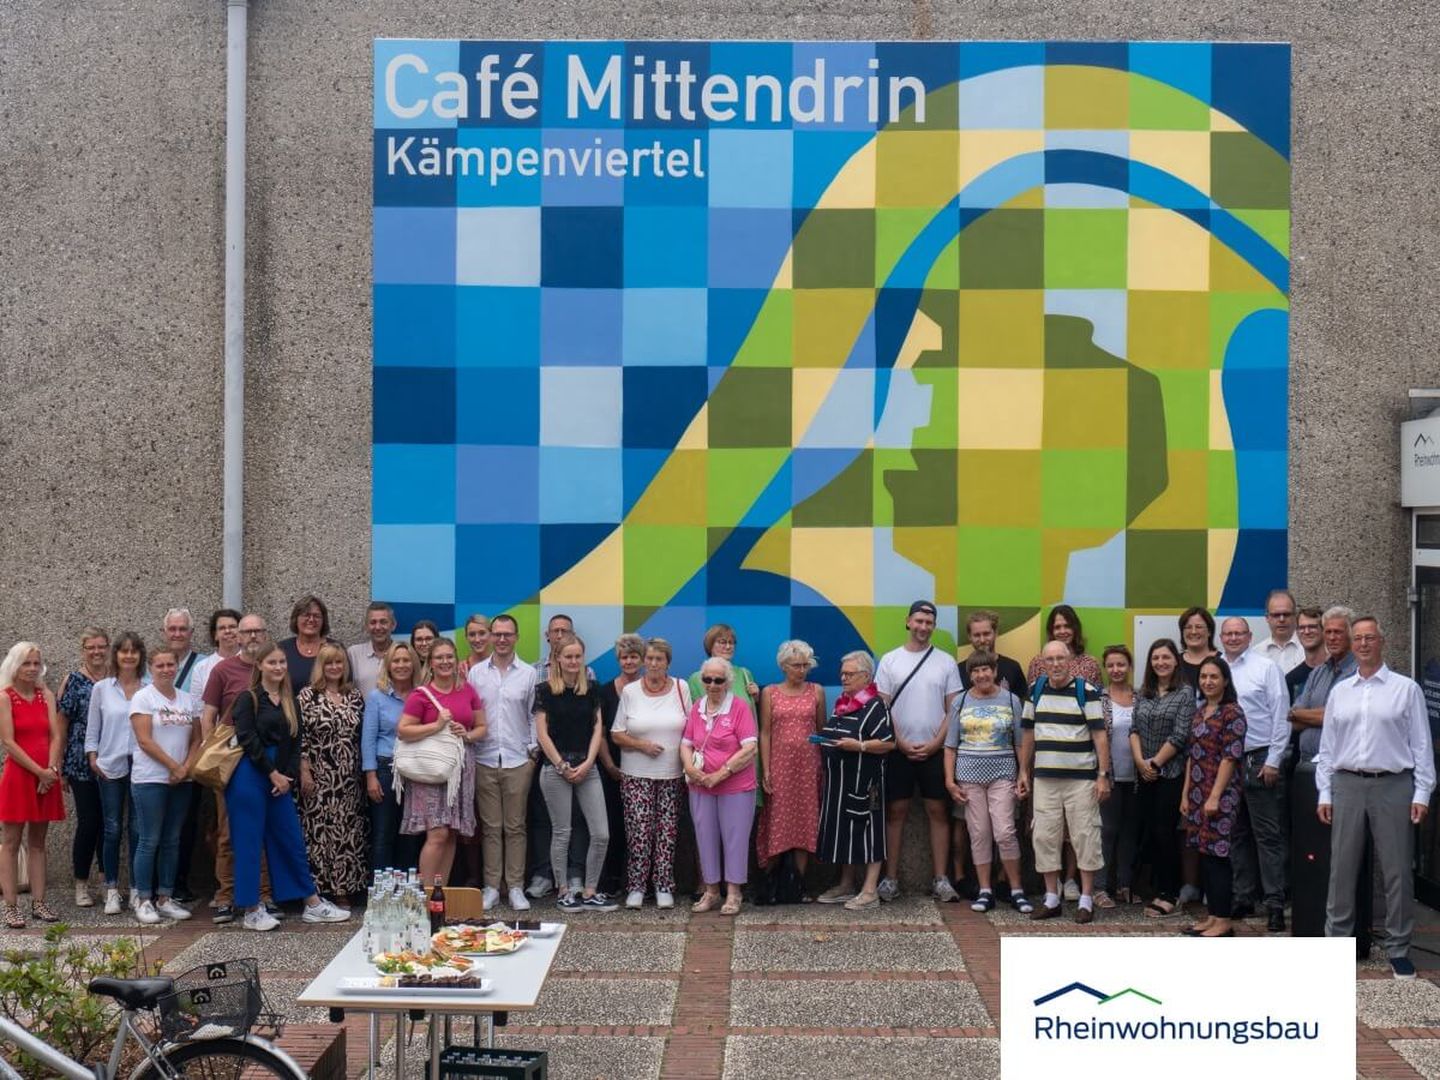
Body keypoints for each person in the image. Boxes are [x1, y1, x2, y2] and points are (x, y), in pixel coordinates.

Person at [1316, 616, 1436, 979]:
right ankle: (1336, 944)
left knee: (1398, 870)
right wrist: (1324, 791)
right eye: (1358, 639)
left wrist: (1423, 792)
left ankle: (1399, 949)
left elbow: (1421, 745)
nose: (1364, 644)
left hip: (1393, 785)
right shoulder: (1341, 691)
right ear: (1352, 645)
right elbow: (1328, 747)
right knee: (1342, 870)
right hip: (1347, 784)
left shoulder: (1405, 689)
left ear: (1382, 642)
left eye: (1370, 638)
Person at [226, 642, 351, 931]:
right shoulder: (248, 698)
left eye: (282, 662)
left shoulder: (289, 699)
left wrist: (288, 776)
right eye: (272, 662)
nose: (279, 667)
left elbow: (296, 742)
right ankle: (252, 909)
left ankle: (311, 903)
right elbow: (247, 739)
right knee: (248, 843)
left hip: (281, 777)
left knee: (290, 839)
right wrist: (272, 774)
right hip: (250, 775)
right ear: (260, 666)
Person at [875, 600, 963, 903]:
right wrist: (898, 741)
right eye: (919, 621)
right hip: (897, 750)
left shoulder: (946, 662)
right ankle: (890, 879)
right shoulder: (889, 661)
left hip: (936, 750)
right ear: (908, 622)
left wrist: (937, 743)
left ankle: (941, 879)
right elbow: (882, 708)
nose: (924, 627)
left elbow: (954, 709)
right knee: (895, 812)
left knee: (938, 811)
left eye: (929, 622)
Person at [1021, 640, 1110, 923]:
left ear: (1070, 660)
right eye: (1050, 660)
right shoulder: (1034, 691)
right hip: (1045, 780)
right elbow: (1027, 735)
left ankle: (1085, 899)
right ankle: (1051, 898)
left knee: (1085, 836)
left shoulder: (1088, 692)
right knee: (1044, 837)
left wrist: (1103, 776)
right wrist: (1024, 772)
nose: (1056, 664)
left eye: (1061, 658)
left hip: (1082, 781)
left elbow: (1099, 736)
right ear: (1042, 663)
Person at [200, 613, 277, 924]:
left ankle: (264, 893)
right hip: (232, 759)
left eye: (259, 631)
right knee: (228, 831)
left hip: (265, 760)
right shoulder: (223, 670)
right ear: (238, 637)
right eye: (248, 632)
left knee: (264, 829)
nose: (254, 636)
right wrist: (212, 757)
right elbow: (208, 716)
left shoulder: (273, 667)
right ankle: (226, 895)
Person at [1217, 617, 1292, 931]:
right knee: (1235, 835)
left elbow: (1282, 715)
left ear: (1249, 636)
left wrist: (1274, 760)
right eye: (1228, 633)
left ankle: (1274, 903)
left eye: (1239, 633)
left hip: (1260, 759)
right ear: (1221, 638)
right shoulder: (1215, 669)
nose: (1233, 638)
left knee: (1268, 836)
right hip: (1226, 762)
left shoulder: (1265, 668)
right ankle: (1243, 897)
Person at [943, 651, 1030, 915]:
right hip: (968, 777)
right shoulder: (961, 701)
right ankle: (985, 890)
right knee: (979, 834)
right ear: (970, 675)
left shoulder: (1012, 700)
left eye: (986, 670)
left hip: (1003, 774)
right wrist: (949, 780)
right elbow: (950, 746)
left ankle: (1016, 890)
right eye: (975, 671)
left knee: (1004, 831)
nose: (981, 675)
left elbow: (1020, 741)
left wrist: (1023, 772)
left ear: (994, 671)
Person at [534, 633, 615, 912]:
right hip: (556, 769)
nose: (573, 661)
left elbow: (597, 729)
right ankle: (564, 891)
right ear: (557, 658)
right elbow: (542, 734)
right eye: (567, 656)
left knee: (601, 833)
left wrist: (590, 761)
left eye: (577, 656)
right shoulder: (544, 690)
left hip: (587, 767)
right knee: (563, 832)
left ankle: (590, 890)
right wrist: (561, 765)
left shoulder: (591, 689)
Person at [398, 638, 485, 888]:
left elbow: (481, 727)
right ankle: (424, 897)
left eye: (449, 657)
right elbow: (403, 731)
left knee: (450, 836)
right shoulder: (421, 694)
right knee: (437, 834)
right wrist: (436, 726)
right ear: (431, 663)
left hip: (460, 769)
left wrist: (466, 734)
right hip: (431, 771)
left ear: (456, 660)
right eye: (439, 658)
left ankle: (440, 896)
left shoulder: (467, 690)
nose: (445, 662)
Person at [611, 638, 690, 910]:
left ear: (668, 662)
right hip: (636, 773)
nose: (654, 664)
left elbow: (691, 730)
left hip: (672, 774)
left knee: (667, 831)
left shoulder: (682, 687)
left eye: (660, 659)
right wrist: (642, 745)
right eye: (650, 659)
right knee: (639, 831)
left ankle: (664, 885)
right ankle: (636, 886)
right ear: (644, 661)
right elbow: (617, 733)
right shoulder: (631, 691)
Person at [467, 614, 538, 911]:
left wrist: (533, 751)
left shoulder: (529, 674)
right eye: (497, 634)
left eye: (507, 634)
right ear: (490, 637)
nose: (502, 639)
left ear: (517, 637)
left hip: (517, 759)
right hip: (484, 758)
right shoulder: (476, 673)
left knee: (516, 826)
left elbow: (535, 714)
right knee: (491, 827)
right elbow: (471, 712)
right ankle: (493, 887)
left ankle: (516, 886)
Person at [127, 646, 201, 924]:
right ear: (150, 668)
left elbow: (197, 738)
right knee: (149, 840)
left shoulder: (187, 699)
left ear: (178, 667)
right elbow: (145, 740)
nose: (167, 669)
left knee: (172, 840)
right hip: (151, 779)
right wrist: (174, 766)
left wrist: (185, 768)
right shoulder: (143, 698)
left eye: (171, 665)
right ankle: (144, 899)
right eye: (160, 666)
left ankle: (166, 897)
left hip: (182, 779)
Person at [816, 651, 895, 911]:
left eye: (849, 674)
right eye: (842, 673)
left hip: (866, 782)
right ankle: (846, 884)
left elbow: (887, 742)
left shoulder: (875, 705)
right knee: (845, 832)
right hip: (839, 783)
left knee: (869, 832)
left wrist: (858, 745)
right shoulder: (843, 703)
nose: (843, 678)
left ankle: (870, 890)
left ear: (866, 677)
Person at [525, 613, 597, 901]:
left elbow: (591, 722)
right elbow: (532, 719)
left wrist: (583, 763)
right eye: (555, 631)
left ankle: (576, 875)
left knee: (578, 821)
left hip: (580, 760)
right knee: (546, 821)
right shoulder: (534, 673)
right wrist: (546, 757)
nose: (559, 635)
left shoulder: (587, 675)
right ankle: (546, 875)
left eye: (564, 631)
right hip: (544, 759)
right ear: (547, 636)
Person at [683, 657, 759, 916]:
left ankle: (734, 893)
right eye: (707, 679)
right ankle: (711, 891)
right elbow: (685, 743)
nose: (713, 685)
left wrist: (722, 773)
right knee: (705, 838)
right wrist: (691, 769)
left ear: (728, 682)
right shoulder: (697, 707)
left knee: (735, 839)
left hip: (735, 786)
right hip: (700, 786)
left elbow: (750, 747)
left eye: (718, 680)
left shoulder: (739, 707)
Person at [0, 642, 65, 927]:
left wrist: (50, 770)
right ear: (15, 665)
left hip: (46, 778)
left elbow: (55, 735)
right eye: (26, 663)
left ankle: (40, 903)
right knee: (11, 843)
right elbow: (8, 742)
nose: (32, 668)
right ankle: (11, 906)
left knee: (39, 842)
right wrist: (39, 771)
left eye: (36, 663)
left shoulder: (46, 695)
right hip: (20, 776)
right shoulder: (4, 697)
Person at [177, 607, 240, 902]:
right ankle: (223, 887)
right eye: (223, 627)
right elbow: (202, 714)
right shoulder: (205, 667)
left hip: (248, 752)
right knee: (218, 824)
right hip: (218, 754)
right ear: (215, 634)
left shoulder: (251, 663)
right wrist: (204, 753)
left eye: (233, 626)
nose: (228, 632)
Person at [1181, 655, 1246, 938]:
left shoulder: (1232, 713)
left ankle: (1224, 920)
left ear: (1225, 681)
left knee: (1218, 857)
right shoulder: (1200, 711)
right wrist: (1185, 795)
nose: (1208, 681)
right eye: (1204, 677)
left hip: (1220, 795)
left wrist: (1215, 796)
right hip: (1196, 794)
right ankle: (1212, 916)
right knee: (1205, 856)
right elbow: (1191, 757)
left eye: (1214, 677)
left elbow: (1230, 758)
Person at [297, 643, 368, 902]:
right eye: (329, 663)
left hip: (349, 779)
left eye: (339, 662)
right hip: (319, 776)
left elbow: (361, 736)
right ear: (321, 666)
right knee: (318, 834)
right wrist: (305, 770)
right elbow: (301, 737)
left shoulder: (354, 696)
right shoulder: (308, 696)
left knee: (347, 834)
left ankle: (343, 890)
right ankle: (316, 892)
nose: (335, 667)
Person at [1131, 639, 1192, 919]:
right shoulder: (1143, 693)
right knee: (1147, 833)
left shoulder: (1185, 693)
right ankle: (1154, 888)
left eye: (1166, 657)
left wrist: (1154, 763)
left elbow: (1180, 736)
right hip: (1144, 773)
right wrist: (1141, 762)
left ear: (1175, 661)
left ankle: (1170, 893)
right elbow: (1133, 729)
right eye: (1155, 658)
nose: (1160, 663)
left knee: (1165, 833)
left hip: (1169, 774)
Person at [85, 631, 144, 916]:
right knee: (112, 829)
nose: (129, 656)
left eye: (134, 651)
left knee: (136, 828)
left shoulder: (147, 689)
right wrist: (92, 757)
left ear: (140, 656)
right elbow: (92, 727)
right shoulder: (103, 688)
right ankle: (111, 889)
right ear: (116, 655)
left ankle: (135, 888)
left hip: (141, 766)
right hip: (109, 765)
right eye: (124, 651)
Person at [756, 640, 824, 880]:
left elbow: (820, 731)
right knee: (777, 820)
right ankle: (770, 882)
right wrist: (766, 770)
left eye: (806, 665)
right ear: (784, 666)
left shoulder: (816, 691)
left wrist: (821, 766)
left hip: (807, 767)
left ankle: (799, 883)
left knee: (805, 821)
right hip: (780, 766)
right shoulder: (770, 692)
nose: (802, 670)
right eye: (796, 665)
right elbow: (764, 732)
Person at [58, 627, 108, 908]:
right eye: (91, 647)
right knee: (89, 822)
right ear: (83, 650)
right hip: (79, 761)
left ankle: (106, 881)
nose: (97, 652)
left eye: (101, 646)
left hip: (111, 759)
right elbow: (61, 725)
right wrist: (61, 766)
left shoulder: (115, 680)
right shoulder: (73, 680)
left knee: (109, 825)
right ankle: (81, 883)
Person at [363, 642, 421, 876]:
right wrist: (370, 776)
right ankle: (381, 896)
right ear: (388, 666)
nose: (401, 665)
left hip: (416, 771)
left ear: (414, 664)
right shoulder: (377, 697)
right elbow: (368, 738)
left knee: (411, 834)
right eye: (396, 661)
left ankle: (406, 895)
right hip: (385, 770)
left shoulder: (422, 695)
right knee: (383, 834)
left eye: (406, 660)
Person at [594, 633, 644, 895]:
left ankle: (641, 881)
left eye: (634, 656)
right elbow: (600, 733)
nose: (629, 661)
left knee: (640, 826)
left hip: (644, 769)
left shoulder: (651, 688)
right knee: (613, 825)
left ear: (642, 659)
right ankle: (612, 878)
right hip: (611, 768)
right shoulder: (604, 691)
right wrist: (610, 765)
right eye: (624, 657)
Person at [1096, 644, 1140, 908]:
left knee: (1130, 832)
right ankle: (1100, 888)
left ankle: (1125, 885)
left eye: (1121, 664)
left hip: (1135, 777)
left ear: (1129, 666)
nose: (1116, 669)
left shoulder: (1141, 697)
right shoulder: (1098, 699)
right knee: (1106, 832)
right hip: (1108, 776)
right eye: (1111, 665)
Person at [1292, 606, 1358, 762]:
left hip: (1341, 766)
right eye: (1328, 632)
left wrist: (1301, 715)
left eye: (1338, 632)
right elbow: (1292, 721)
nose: (1332, 637)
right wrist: (1299, 714)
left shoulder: (1359, 673)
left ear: (1351, 635)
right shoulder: (1318, 673)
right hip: (1307, 763)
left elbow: (1341, 718)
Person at [686, 625, 761, 716]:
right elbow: (695, 715)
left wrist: (756, 697)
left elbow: (750, 709)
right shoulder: (696, 678)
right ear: (710, 645)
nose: (728, 646)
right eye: (722, 642)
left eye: (731, 643)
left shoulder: (744, 674)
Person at [1025, 604, 1101, 687]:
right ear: (1051, 631)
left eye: (1067, 626)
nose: (1062, 631)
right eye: (1057, 627)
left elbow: (1097, 696)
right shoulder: (1038, 663)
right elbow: (1032, 695)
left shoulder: (1089, 664)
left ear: (1075, 629)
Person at [958, 610, 1028, 696]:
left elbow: (1024, 705)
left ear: (995, 633)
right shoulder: (959, 670)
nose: (982, 640)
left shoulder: (1013, 667)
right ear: (969, 637)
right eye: (977, 635)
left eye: (986, 634)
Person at [280, 595, 334, 689]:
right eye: (306, 615)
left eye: (316, 616)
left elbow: (345, 683)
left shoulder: (335, 648)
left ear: (323, 621)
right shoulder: (282, 649)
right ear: (296, 619)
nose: (311, 620)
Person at [347, 602, 397, 698]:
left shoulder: (404, 654)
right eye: (373, 622)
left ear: (393, 625)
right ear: (366, 626)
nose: (378, 627)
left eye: (383, 622)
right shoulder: (353, 654)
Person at [1254, 589, 1304, 671]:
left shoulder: (1307, 649)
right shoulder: (1257, 653)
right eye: (1276, 615)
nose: (1281, 619)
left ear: (1295, 616)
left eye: (1286, 614)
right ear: (1267, 618)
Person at [1286, 607, 1327, 703]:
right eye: (1302, 628)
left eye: (1312, 627)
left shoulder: (1336, 671)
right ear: (1297, 632)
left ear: (1324, 630)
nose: (1307, 632)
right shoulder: (1291, 679)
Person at [162, 609, 207, 694]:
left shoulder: (205, 665)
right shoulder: (153, 667)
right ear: (164, 632)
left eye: (182, 629)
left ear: (191, 632)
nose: (177, 634)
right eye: (172, 629)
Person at [1177, 606, 1217, 686]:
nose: (1193, 632)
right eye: (1188, 627)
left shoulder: (1224, 660)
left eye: (1199, 627)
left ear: (1209, 631)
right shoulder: (1174, 663)